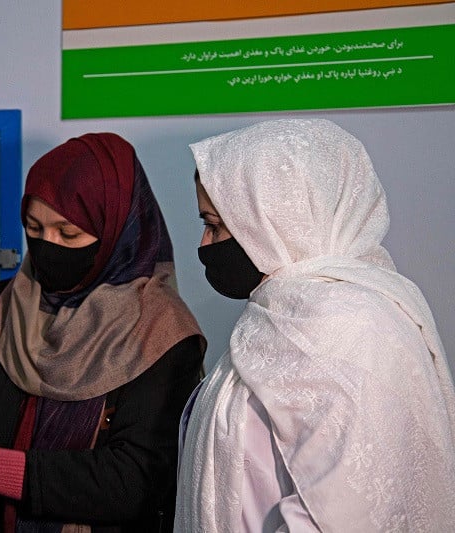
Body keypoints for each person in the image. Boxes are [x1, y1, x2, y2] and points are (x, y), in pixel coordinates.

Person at [0, 132, 206, 531]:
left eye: (69, 233)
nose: (48, 245)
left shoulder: (161, 330)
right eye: (34, 228)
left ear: (117, 230)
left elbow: (137, 481)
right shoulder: (2, 306)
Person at [175, 118, 455, 531]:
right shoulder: (273, 317)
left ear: (279, 219)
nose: (203, 246)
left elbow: (344, 510)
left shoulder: (356, 328)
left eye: (215, 225)